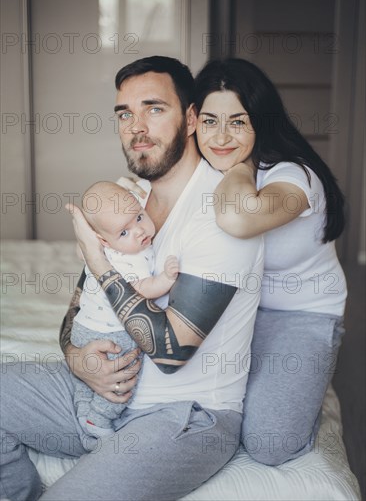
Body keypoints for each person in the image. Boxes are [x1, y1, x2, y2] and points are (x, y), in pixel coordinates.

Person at [0, 56, 263, 501]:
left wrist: (95, 257)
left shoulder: (222, 213)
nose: (136, 127)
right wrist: (75, 355)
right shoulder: (129, 198)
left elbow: (172, 351)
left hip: (183, 414)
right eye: (125, 113)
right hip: (101, 392)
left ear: (192, 119)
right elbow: (81, 305)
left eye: (154, 109)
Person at [193, 57, 347, 465]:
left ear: (261, 122)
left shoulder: (294, 177)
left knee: (269, 442)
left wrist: (242, 166)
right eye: (210, 121)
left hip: (301, 315)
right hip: (234, 310)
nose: (221, 136)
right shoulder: (200, 171)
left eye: (238, 122)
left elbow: (238, 219)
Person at [71, 180, 179, 437]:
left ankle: (82, 406)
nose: (139, 231)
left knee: (87, 381)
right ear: (103, 242)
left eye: (140, 218)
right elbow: (139, 290)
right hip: (111, 334)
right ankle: (99, 418)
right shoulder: (126, 260)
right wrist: (165, 279)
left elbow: (130, 208)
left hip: (83, 327)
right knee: (123, 376)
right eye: (124, 233)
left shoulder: (118, 230)